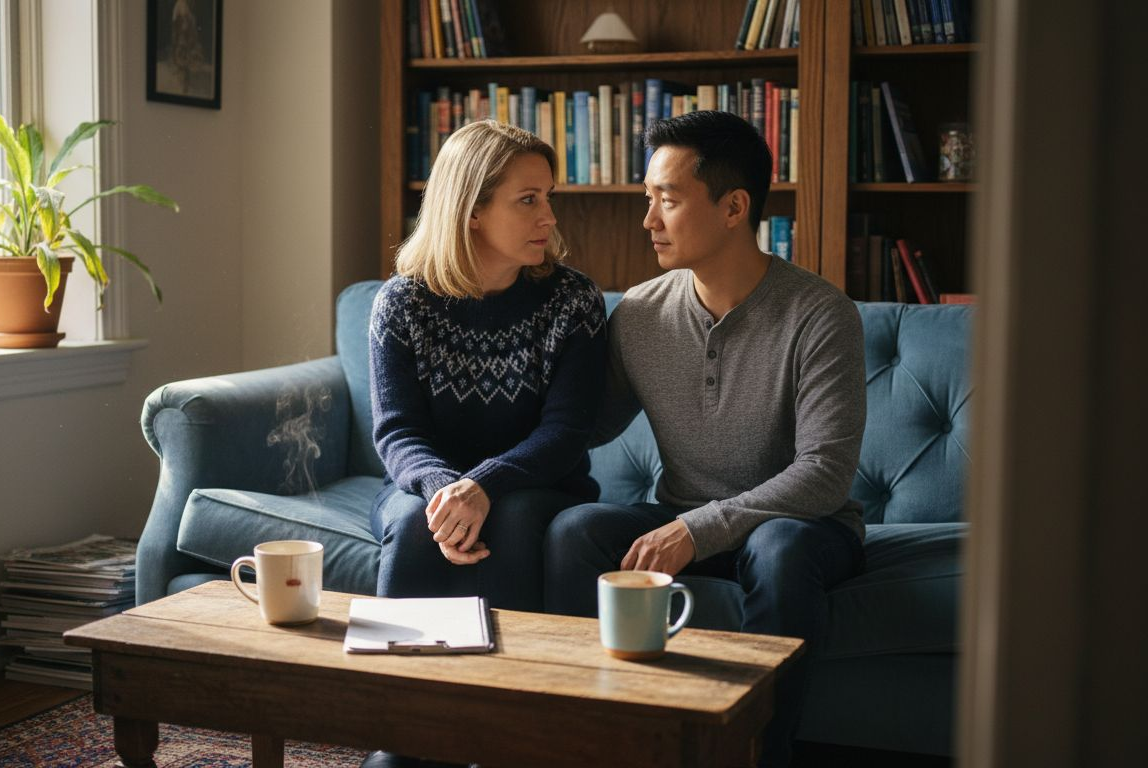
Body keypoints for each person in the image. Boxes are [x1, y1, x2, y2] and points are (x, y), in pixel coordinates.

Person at [543, 110, 867, 768]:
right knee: (574, 530)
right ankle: (597, 745)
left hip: (804, 526)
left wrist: (697, 530)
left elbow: (825, 475)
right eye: (646, 199)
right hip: (682, 514)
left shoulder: (820, 314)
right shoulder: (639, 313)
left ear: (733, 207)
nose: (649, 220)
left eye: (667, 198)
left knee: (777, 548)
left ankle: (758, 756)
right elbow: (584, 425)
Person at [364, 119, 606, 768]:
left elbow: (565, 433)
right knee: (417, 525)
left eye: (548, 197)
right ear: (471, 210)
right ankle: (403, 741)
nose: (549, 217)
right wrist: (447, 489)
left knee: (515, 517)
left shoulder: (572, 302)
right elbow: (397, 432)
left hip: (539, 487)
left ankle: (502, 742)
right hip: (426, 488)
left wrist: (484, 486)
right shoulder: (402, 303)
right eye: (528, 200)